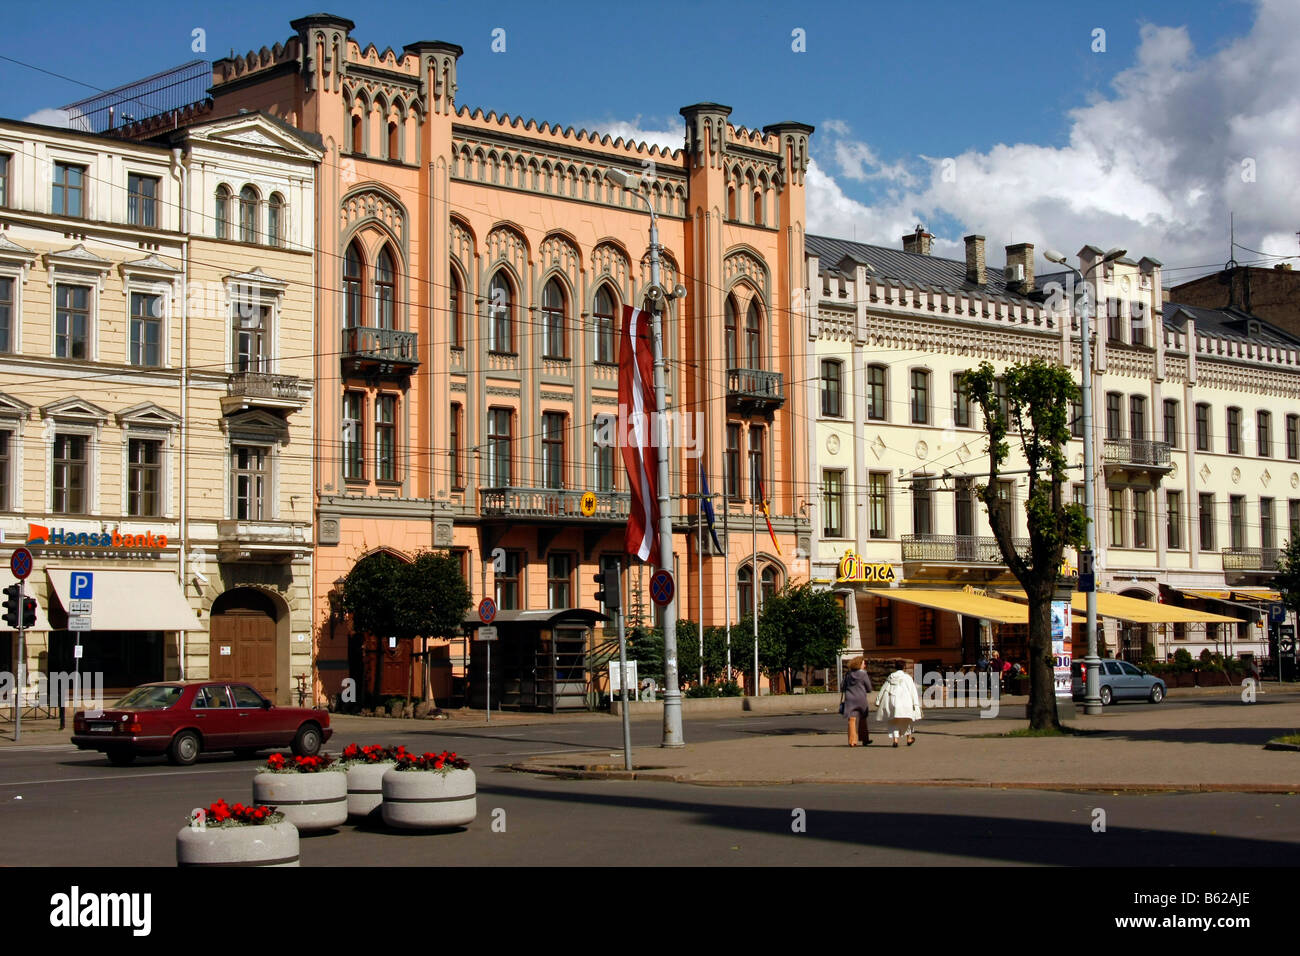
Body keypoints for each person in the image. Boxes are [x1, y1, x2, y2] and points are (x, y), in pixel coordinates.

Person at [875, 659, 923, 747]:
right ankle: (908, 739)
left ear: (895, 667)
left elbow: (883, 688)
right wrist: (916, 704)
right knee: (908, 721)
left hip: (893, 702)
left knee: (894, 721)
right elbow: (913, 691)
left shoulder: (891, 677)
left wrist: (878, 700)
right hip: (906, 702)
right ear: (904, 667)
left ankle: (895, 740)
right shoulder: (907, 678)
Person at [840, 656, 873, 746]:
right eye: (863, 663)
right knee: (863, 718)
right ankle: (864, 738)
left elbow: (842, 686)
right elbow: (869, 688)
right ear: (859, 664)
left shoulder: (848, 674)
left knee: (851, 720)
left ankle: (852, 741)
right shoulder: (863, 674)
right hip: (861, 698)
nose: (865, 665)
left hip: (850, 699)